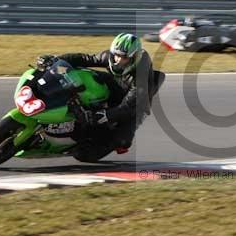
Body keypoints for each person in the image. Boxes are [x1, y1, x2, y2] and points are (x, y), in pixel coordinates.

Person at [36, 33, 161, 162]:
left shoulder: (142, 77)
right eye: (116, 55)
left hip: (136, 103)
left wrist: (105, 115)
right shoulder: (110, 57)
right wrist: (56, 60)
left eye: (123, 57)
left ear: (133, 58)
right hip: (117, 83)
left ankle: (97, 134)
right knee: (86, 75)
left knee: (122, 140)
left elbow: (127, 107)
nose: (117, 60)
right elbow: (85, 58)